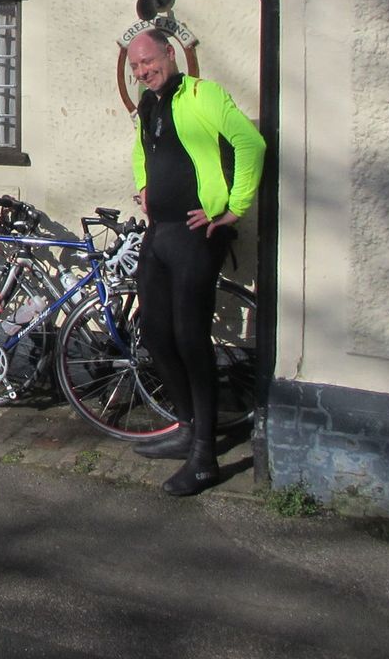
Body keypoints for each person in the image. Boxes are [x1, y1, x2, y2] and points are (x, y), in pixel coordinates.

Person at [126, 28, 265, 496]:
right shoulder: (149, 104)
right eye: (136, 67)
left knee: (190, 338)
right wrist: (144, 185)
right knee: (155, 333)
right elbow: (142, 150)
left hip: (195, 236)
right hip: (160, 232)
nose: (143, 71)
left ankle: (205, 456)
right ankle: (186, 428)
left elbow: (251, 144)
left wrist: (234, 207)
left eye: (148, 61)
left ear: (170, 54)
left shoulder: (205, 95)